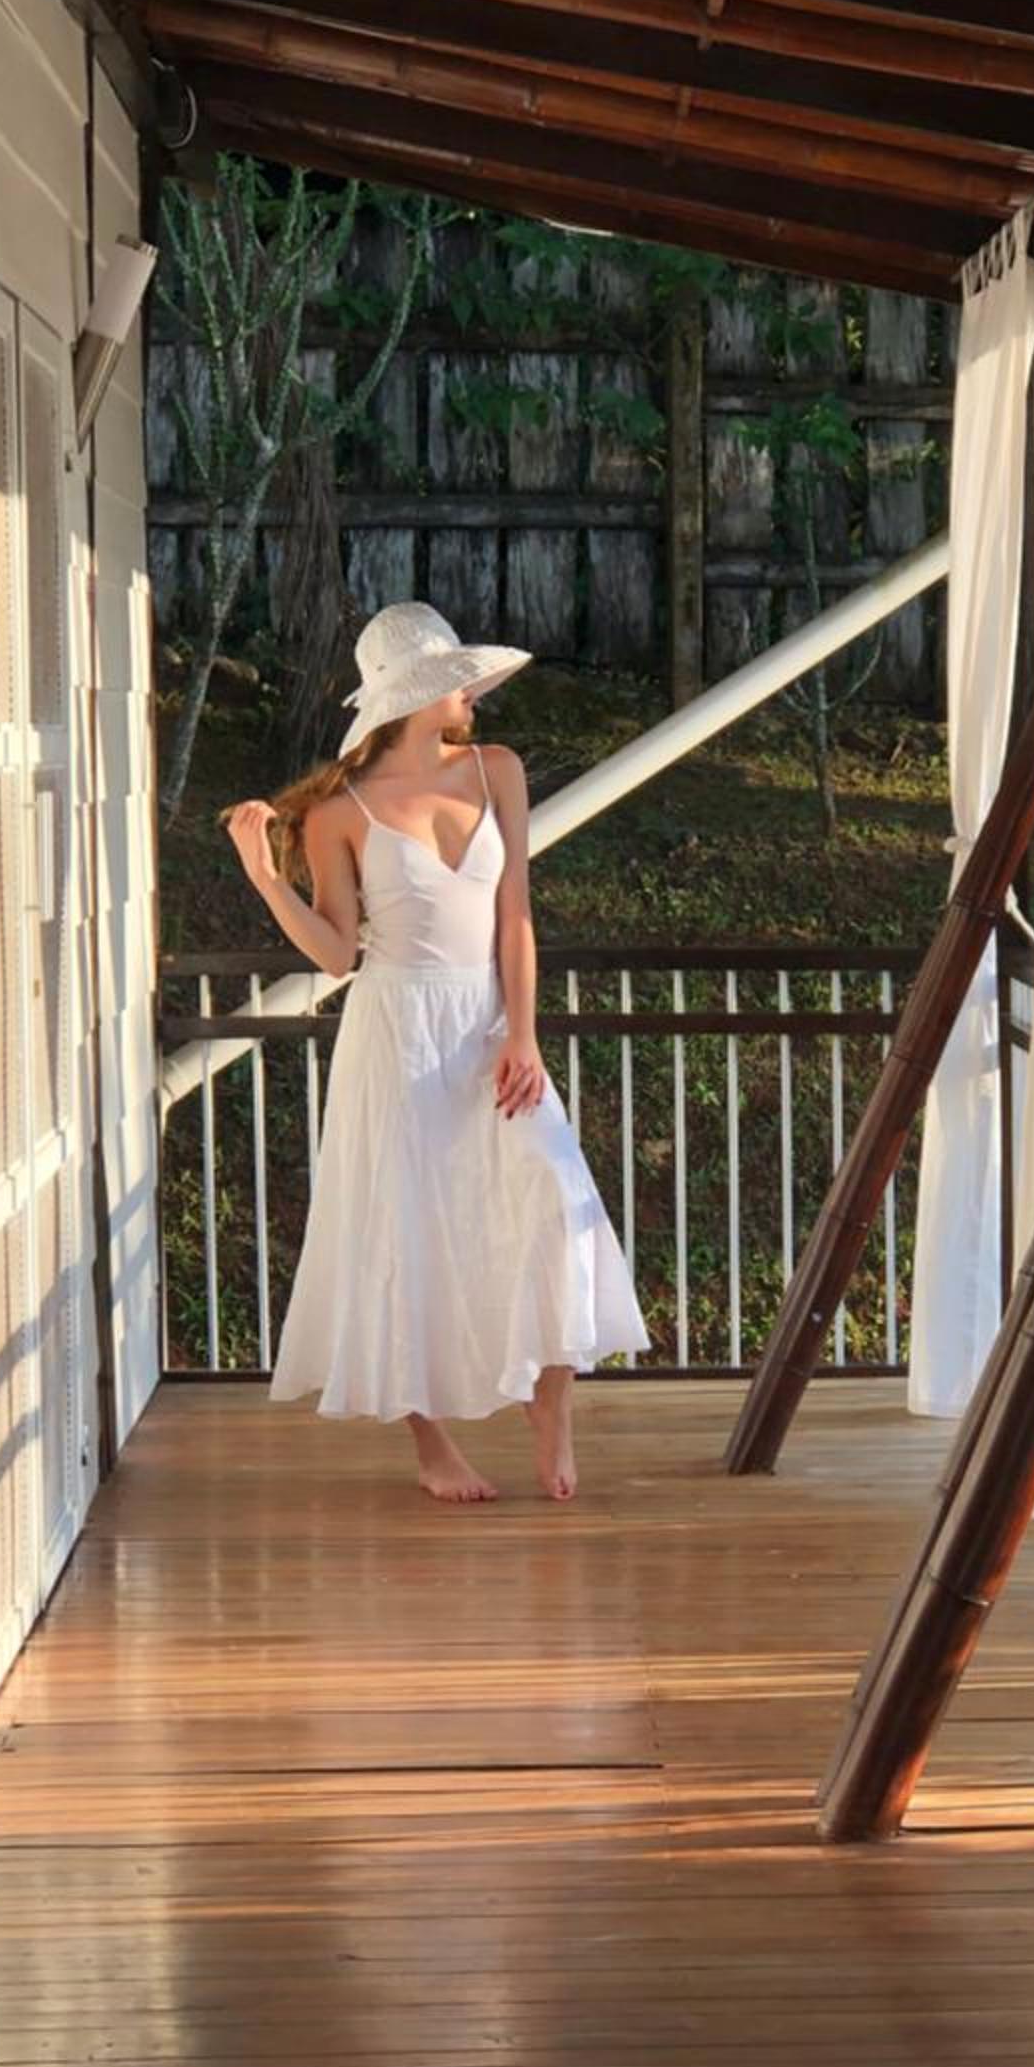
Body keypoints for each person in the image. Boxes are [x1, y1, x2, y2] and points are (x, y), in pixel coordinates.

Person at [224, 602, 646, 1503]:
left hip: (488, 1021)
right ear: (419, 695)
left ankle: (549, 1398)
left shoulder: (498, 770)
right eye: (458, 682)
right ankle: (432, 1445)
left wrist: (523, 1033)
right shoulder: (337, 813)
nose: (472, 694)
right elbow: (337, 954)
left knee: (551, 1190)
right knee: (404, 1228)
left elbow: (516, 914)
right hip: (396, 1033)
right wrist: (266, 880)